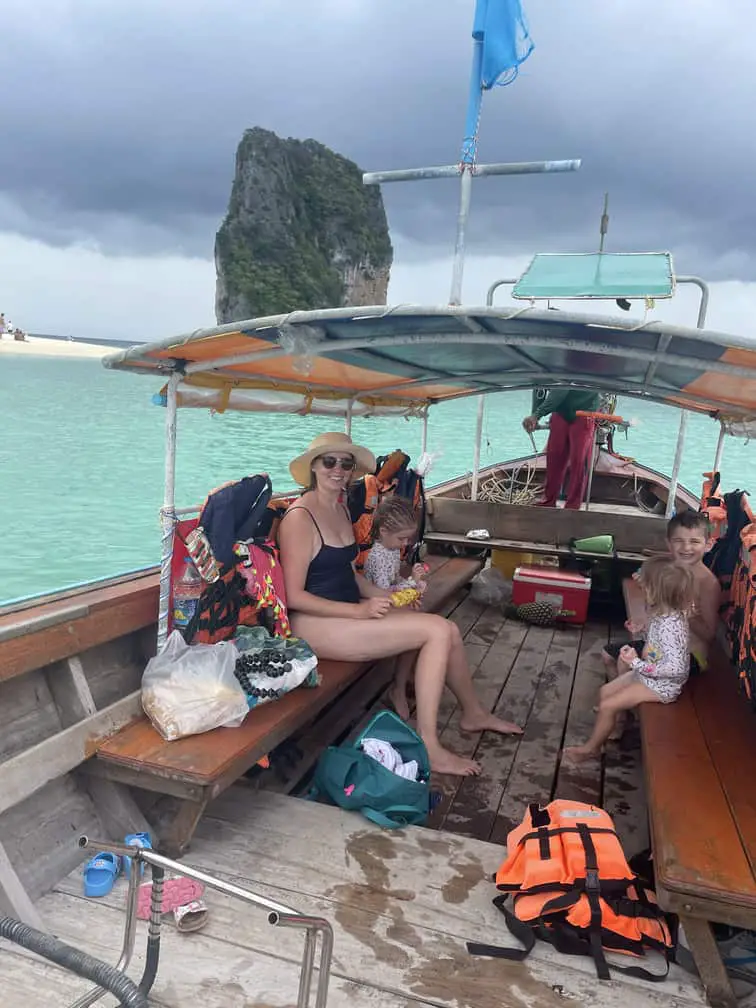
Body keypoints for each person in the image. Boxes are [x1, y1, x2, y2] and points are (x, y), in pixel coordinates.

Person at [277, 432, 523, 777]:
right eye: (329, 461)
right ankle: (430, 746)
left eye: (345, 463)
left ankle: (473, 713)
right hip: (311, 624)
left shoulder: (340, 508)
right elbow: (293, 596)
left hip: (345, 613)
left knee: (447, 628)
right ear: (314, 467)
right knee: (435, 631)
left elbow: (349, 575)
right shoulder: (300, 518)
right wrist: (358, 611)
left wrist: (382, 596)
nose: (338, 469)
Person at [563, 556, 695, 764]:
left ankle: (591, 749)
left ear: (657, 592)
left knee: (607, 705)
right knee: (605, 693)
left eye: (646, 587)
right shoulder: (662, 612)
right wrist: (640, 631)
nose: (642, 590)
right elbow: (657, 646)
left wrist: (636, 664)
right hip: (649, 674)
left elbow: (676, 668)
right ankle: (618, 722)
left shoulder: (673, 626)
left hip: (662, 686)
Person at [602, 510, 720, 675]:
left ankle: (628, 695)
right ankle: (625, 694)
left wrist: (683, 608)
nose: (686, 548)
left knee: (627, 663)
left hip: (689, 656)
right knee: (609, 655)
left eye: (694, 541)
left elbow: (709, 635)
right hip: (661, 642)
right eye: (679, 541)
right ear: (669, 543)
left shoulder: (708, 583)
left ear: (708, 545)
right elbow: (656, 603)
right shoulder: (669, 569)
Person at [362, 496, 428, 721]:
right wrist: (411, 583)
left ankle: (407, 677)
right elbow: (384, 592)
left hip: (387, 601)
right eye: (402, 538)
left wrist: (411, 581)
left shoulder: (390, 551)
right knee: (417, 625)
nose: (405, 544)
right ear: (383, 532)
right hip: (377, 608)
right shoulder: (377, 557)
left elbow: (394, 580)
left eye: (408, 539)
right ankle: (402, 681)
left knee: (418, 617)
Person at [522, 388, 600, 509]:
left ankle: (573, 506)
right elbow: (539, 389)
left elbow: (560, 391)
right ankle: (548, 501)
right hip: (560, 411)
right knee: (554, 458)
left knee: (578, 461)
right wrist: (535, 416)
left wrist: (536, 415)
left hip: (585, 411)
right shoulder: (539, 370)